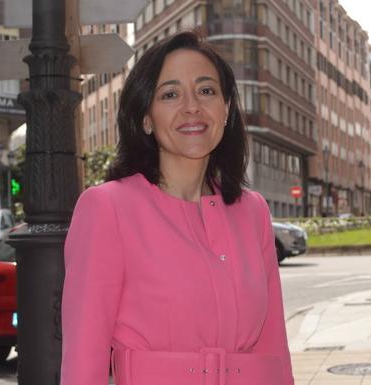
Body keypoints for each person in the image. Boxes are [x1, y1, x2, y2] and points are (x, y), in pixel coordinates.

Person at [61, 31, 294, 385]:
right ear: (146, 118)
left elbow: (273, 344)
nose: (192, 107)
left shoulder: (253, 212)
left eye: (206, 91)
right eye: (170, 94)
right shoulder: (107, 207)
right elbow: (83, 359)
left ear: (226, 109)